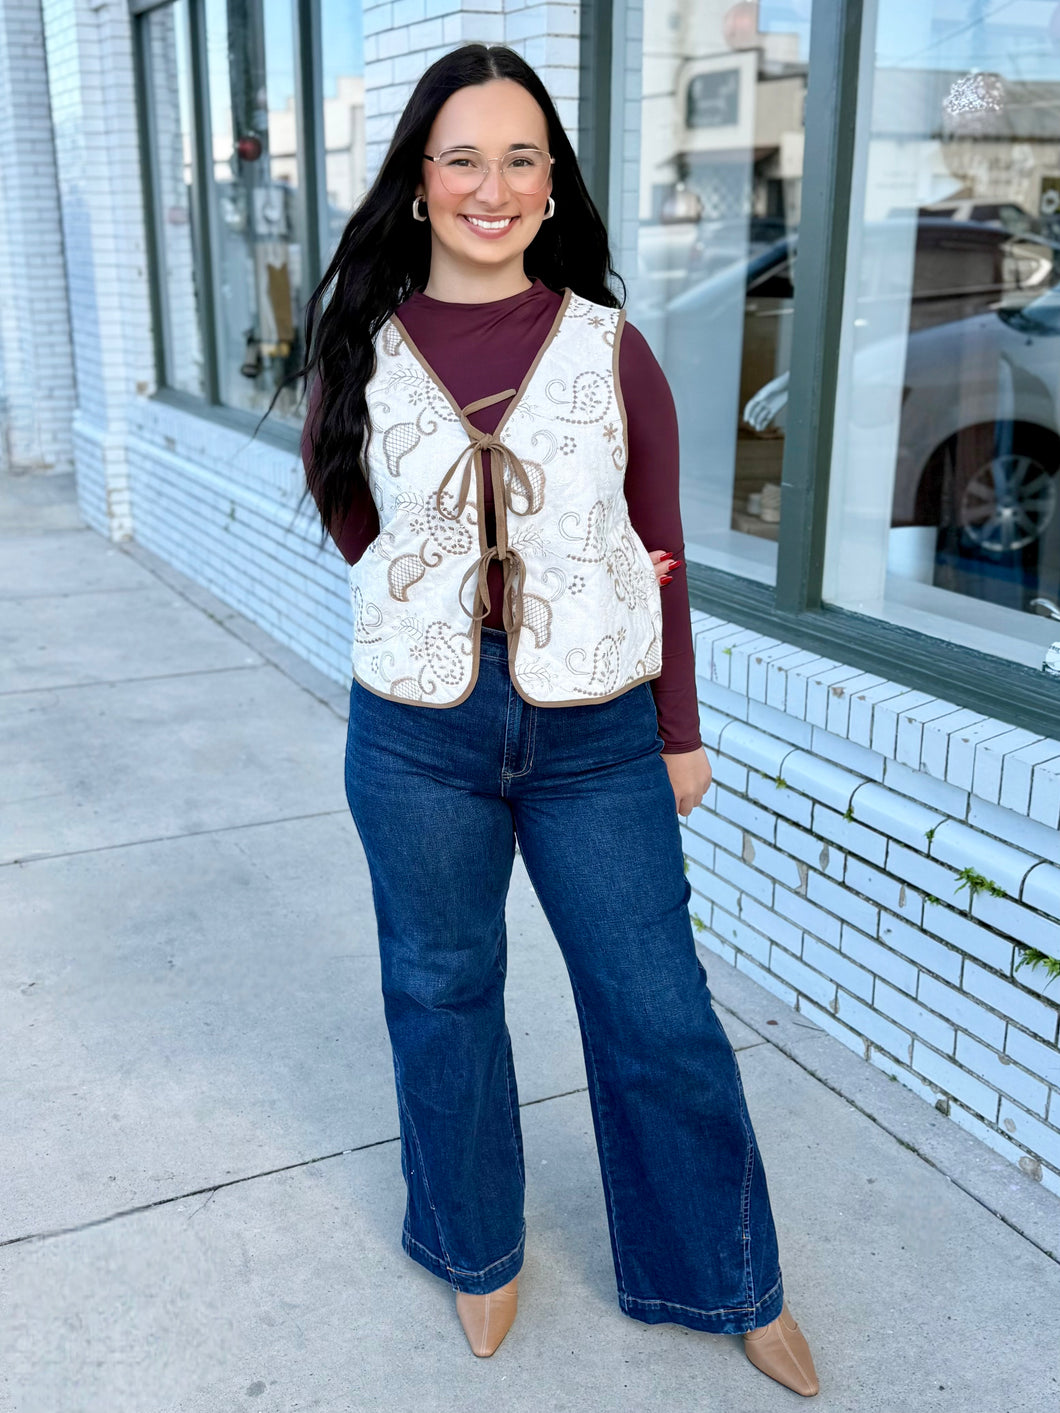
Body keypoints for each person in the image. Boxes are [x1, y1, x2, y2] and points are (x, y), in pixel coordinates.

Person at [296, 42, 819, 1397]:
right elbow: (356, 520)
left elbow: (662, 551)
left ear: (551, 181)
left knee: (659, 1009)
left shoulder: (609, 346)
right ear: (419, 183)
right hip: (418, 735)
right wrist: (442, 593)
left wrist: (680, 730)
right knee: (441, 990)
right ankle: (477, 1250)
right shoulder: (360, 346)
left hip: (596, 739)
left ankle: (726, 1273)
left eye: (520, 155)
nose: (493, 183)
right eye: (462, 156)